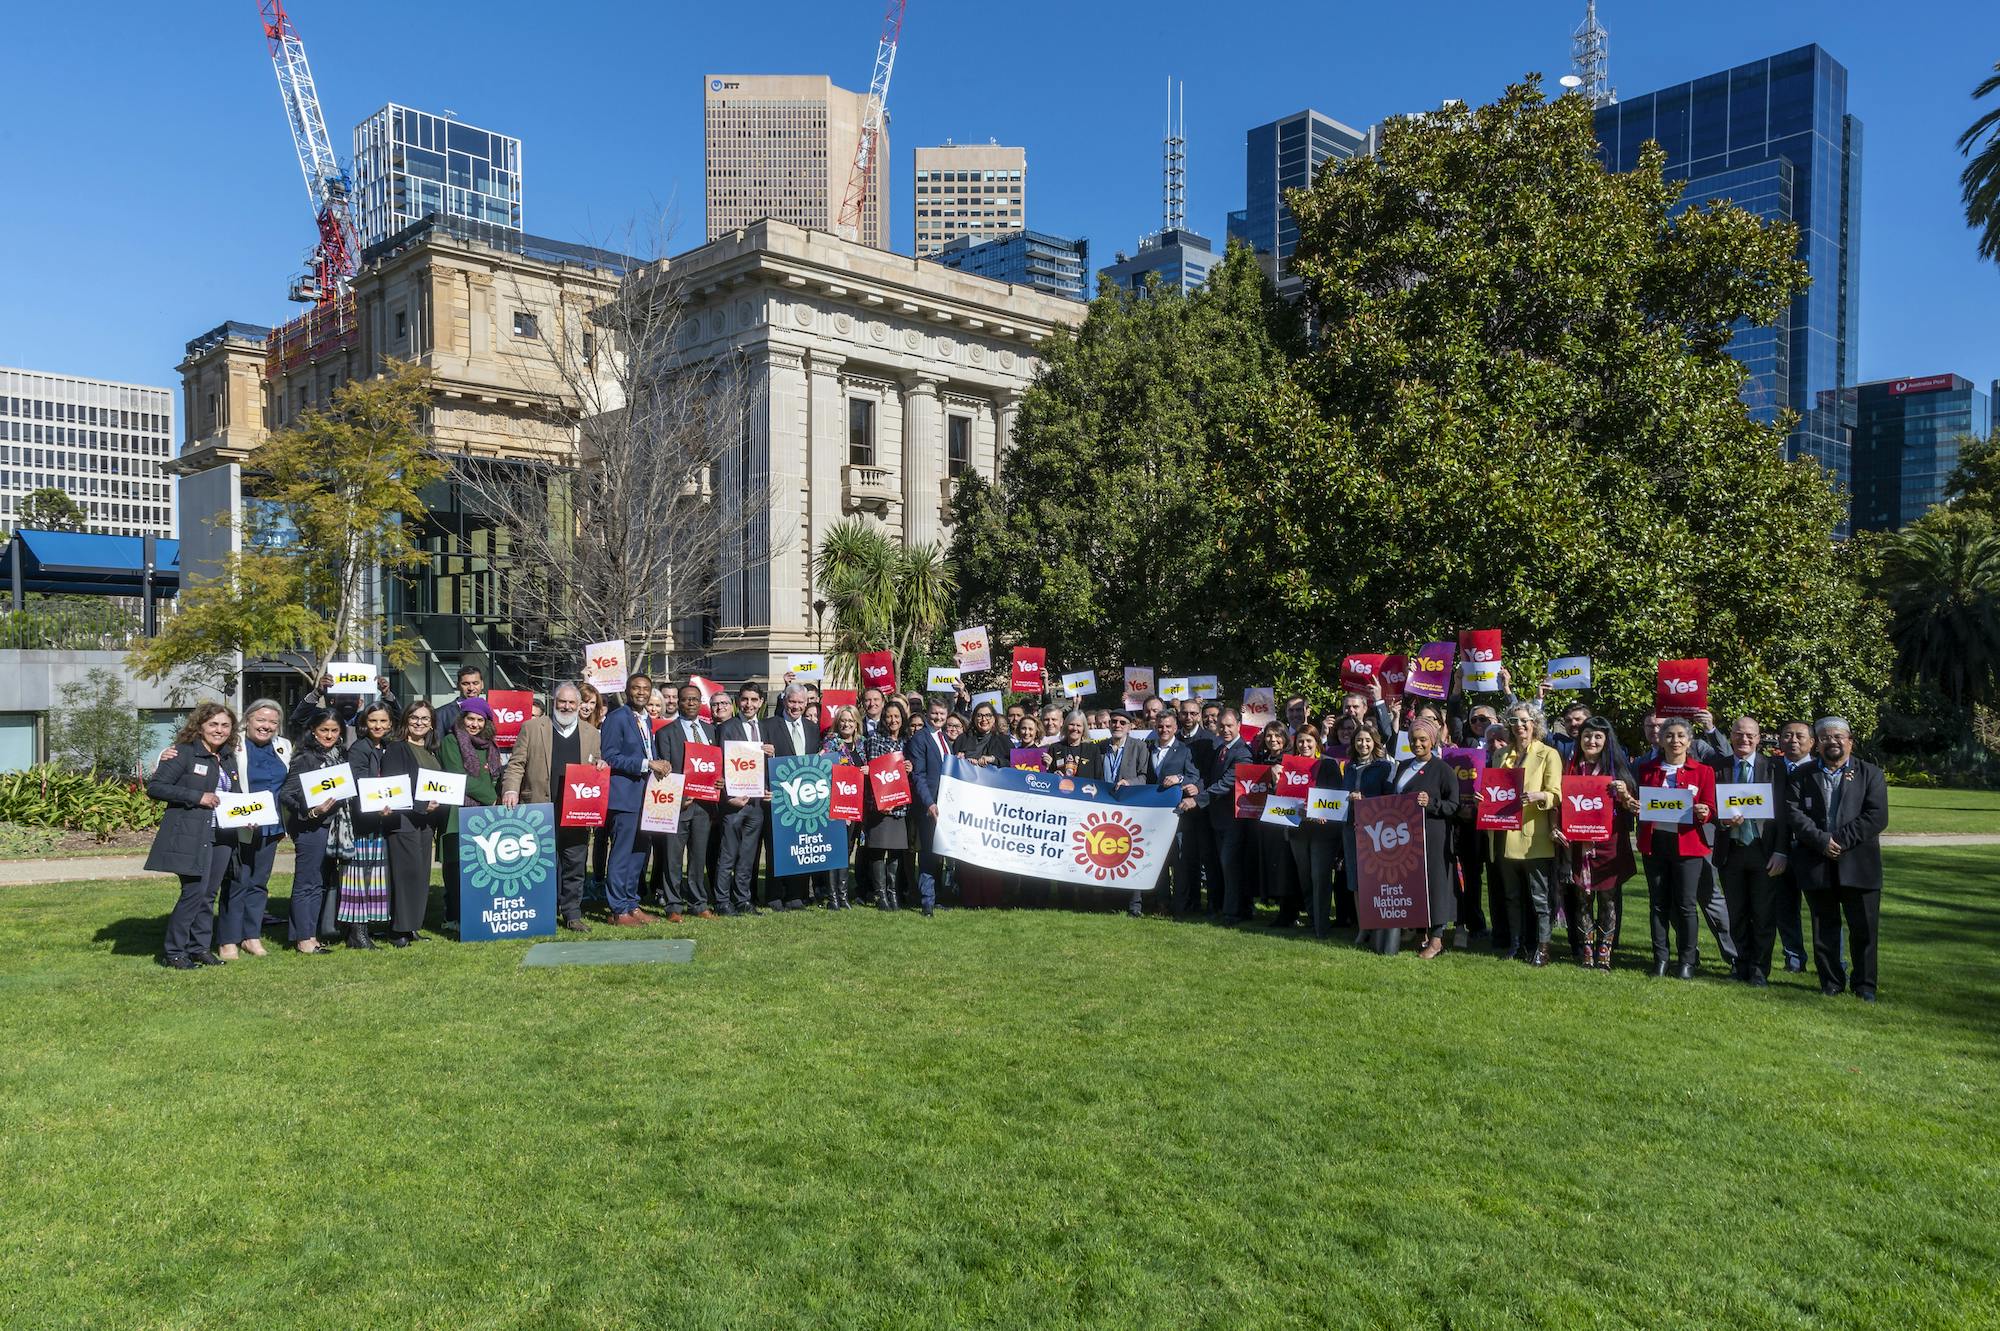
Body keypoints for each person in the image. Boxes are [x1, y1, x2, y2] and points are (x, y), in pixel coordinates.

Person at [1785, 717, 1889, 1001]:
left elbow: (1877, 817)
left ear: (1850, 741)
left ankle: (1864, 986)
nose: (1833, 741)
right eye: (1826, 737)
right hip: (1817, 863)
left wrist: (1840, 841)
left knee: (1864, 931)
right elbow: (1793, 814)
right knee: (1824, 929)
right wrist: (1821, 841)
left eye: (1839, 737)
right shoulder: (1801, 775)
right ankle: (1831, 983)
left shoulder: (1871, 774)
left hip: (1859, 865)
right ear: (1817, 744)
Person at [500, 681, 606, 932]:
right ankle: (542, 911)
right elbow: (516, 764)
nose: (567, 706)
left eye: (572, 702)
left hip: (576, 810)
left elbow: (595, 765)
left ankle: (572, 913)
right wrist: (511, 789)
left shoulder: (592, 734)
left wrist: (600, 766)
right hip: (539, 806)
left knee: (575, 864)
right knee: (541, 864)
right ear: (553, 702)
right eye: (562, 702)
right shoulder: (533, 728)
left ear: (580, 705)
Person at [145, 702, 241, 969]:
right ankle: (174, 951)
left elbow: (234, 794)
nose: (219, 730)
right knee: (193, 893)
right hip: (191, 834)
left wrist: (247, 815)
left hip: (223, 834)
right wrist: (197, 797)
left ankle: (200, 948)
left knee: (209, 894)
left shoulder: (228, 757)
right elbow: (156, 787)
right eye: (213, 724)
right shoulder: (183, 754)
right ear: (200, 726)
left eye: (225, 725)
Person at [1630, 717, 1717, 980]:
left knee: (1686, 905)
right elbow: (1638, 801)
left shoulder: (1703, 772)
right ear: (1661, 739)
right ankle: (1661, 959)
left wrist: (1704, 811)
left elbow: (1711, 808)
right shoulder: (1646, 769)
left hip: (1688, 845)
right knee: (1658, 904)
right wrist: (1634, 805)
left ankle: (1687, 961)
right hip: (1655, 844)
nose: (1675, 741)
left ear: (1689, 741)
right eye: (1669, 735)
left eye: (1680, 736)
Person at [1714, 716, 1792, 986]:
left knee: (1763, 915)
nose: (1744, 739)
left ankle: (1759, 970)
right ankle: (1740, 964)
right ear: (1731, 736)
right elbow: (1710, 809)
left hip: (1764, 852)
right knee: (1736, 914)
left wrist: (1781, 851)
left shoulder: (1773, 768)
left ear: (1759, 738)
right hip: (1731, 850)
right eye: (1738, 734)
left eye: (1749, 735)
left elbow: (1783, 815)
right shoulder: (1718, 768)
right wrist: (1721, 822)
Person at [1556, 716, 1637, 970]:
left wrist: (1624, 794)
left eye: (1597, 737)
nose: (1592, 741)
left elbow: (1633, 807)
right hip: (1579, 843)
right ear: (1580, 740)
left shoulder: (1616, 770)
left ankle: (1605, 951)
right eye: (1587, 736)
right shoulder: (1571, 768)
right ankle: (1586, 950)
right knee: (1582, 898)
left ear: (1606, 740)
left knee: (1608, 898)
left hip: (1608, 843)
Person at [215, 698, 291, 960]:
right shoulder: (232, 745)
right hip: (240, 823)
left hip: (271, 826)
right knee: (237, 881)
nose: (266, 726)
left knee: (259, 883)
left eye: (273, 722)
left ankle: (251, 936)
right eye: (261, 720)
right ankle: (228, 940)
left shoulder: (284, 746)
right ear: (248, 720)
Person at [1494, 703, 1563, 965]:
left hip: (1534, 835)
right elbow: (1495, 791)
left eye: (1525, 720)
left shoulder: (1549, 754)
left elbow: (1556, 794)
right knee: (1511, 896)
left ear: (1535, 724)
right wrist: (1483, 798)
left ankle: (1543, 949)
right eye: (1514, 721)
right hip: (1504, 836)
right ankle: (1516, 944)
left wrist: (1539, 796)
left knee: (1539, 897)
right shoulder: (1500, 755)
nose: (1520, 725)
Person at [602, 673, 673, 925]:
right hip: (624, 797)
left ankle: (632, 904)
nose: (641, 692)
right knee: (622, 854)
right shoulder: (617, 718)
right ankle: (617, 908)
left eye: (645, 688)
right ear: (628, 690)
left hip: (648, 797)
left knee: (639, 854)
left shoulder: (647, 720)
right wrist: (647, 763)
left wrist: (658, 763)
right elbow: (609, 756)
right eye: (636, 688)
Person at [1394, 718, 1463, 959]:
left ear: (1433, 740)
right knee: (1414, 883)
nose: (1418, 743)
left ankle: (1436, 939)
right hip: (1405, 836)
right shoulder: (1403, 766)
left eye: (1423, 739)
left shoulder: (1442, 769)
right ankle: (1420, 932)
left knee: (1435, 884)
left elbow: (1453, 805)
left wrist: (1431, 804)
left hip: (1434, 835)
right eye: (1414, 739)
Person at [281, 709, 348, 954]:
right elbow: (286, 794)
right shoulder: (305, 758)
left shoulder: (341, 756)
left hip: (334, 827)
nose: (329, 735)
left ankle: (310, 933)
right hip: (311, 828)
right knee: (307, 882)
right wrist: (311, 811)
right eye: (323, 730)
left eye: (334, 730)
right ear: (313, 731)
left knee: (319, 882)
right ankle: (304, 939)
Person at [382, 700, 446, 945]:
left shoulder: (432, 752)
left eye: (425, 719)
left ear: (432, 725)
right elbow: (394, 787)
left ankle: (412, 927)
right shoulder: (398, 748)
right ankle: (398, 930)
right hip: (404, 821)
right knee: (405, 875)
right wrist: (420, 806)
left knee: (420, 875)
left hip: (426, 823)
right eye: (414, 718)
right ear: (406, 721)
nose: (419, 723)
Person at [437, 697, 504, 931]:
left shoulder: (489, 744)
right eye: (470, 719)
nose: (474, 724)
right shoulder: (450, 741)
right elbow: (458, 776)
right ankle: (453, 916)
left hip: (485, 813)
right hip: (458, 810)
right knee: (456, 865)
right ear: (462, 719)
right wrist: (491, 797)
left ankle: (477, 913)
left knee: (480, 864)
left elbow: (495, 776)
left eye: (479, 720)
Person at [338, 703, 399, 949]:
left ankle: (366, 928)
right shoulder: (359, 749)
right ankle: (357, 933)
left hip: (380, 821)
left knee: (374, 874)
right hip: (362, 822)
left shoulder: (385, 747)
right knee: (358, 876)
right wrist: (379, 803)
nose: (378, 726)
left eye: (383, 721)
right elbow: (359, 783)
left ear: (390, 724)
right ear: (365, 722)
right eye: (373, 721)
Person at [659, 681, 720, 919]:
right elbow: (664, 770)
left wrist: (719, 782)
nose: (691, 703)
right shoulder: (666, 733)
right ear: (678, 703)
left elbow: (716, 765)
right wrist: (680, 796)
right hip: (679, 804)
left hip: (704, 806)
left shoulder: (711, 731)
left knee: (698, 856)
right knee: (673, 858)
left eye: (695, 699)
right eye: (686, 699)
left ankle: (698, 903)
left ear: (700, 702)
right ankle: (673, 905)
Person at [716, 683, 773, 916]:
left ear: (760, 702)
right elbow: (719, 764)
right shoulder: (727, 728)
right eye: (745, 699)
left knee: (748, 856)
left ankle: (743, 900)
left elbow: (771, 766)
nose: (749, 704)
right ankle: (721, 901)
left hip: (758, 803)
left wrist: (773, 754)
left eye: (753, 700)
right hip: (734, 802)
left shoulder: (767, 728)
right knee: (728, 855)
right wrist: (728, 796)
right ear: (738, 702)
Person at [770, 683, 824, 910]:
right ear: (784, 701)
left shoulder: (812, 729)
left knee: (800, 847)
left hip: (804, 798)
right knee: (776, 846)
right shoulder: (769, 726)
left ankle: (796, 895)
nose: (796, 707)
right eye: (792, 702)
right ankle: (773, 895)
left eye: (801, 703)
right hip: (777, 797)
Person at [1339, 725, 1395, 943]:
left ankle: (1378, 924)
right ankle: (1363, 927)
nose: (1363, 744)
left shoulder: (1384, 767)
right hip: (1351, 828)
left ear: (1375, 743)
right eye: (1359, 740)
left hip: (1376, 831)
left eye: (1367, 740)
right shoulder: (1348, 767)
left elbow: (1389, 799)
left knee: (1376, 878)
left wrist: (1366, 802)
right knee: (1355, 878)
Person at [859, 699, 916, 911]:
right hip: (881, 806)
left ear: (903, 719)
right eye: (889, 716)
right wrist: (883, 801)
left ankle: (893, 895)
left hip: (900, 806)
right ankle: (881, 895)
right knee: (877, 851)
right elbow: (874, 772)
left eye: (897, 717)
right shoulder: (875, 740)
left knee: (895, 852)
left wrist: (909, 766)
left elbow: (905, 773)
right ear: (884, 719)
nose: (893, 720)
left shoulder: (906, 742)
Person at [1285, 726, 1341, 939]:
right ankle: (1313, 918)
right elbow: (1284, 795)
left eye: (1309, 741)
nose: (1305, 745)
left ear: (1317, 742)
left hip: (1323, 832)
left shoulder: (1328, 763)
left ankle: (1322, 926)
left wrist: (1319, 811)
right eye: (1300, 741)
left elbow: (1335, 795)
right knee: (1305, 878)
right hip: (1298, 829)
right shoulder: (1289, 764)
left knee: (1320, 877)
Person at [1771, 719, 1818, 971]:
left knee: (1822, 911)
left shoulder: (1821, 769)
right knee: (1785, 908)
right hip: (1776, 850)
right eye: (1787, 735)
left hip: (1811, 850)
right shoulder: (1771, 768)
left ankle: (1832, 961)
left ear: (1812, 742)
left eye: (1800, 736)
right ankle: (1794, 958)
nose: (1793, 740)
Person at [1198, 707, 1254, 922]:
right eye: (1221, 726)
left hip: (1234, 820)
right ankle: (1231, 907)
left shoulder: (1243, 753)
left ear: (1239, 725)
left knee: (1230, 865)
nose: (1225, 729)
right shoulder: (1220, 749)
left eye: (1229, 725)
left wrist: (1198, 800)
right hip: (1218, 818)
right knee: (1224, 865)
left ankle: (1233, 912)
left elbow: (1225, 784)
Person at [905, 695, 952, 915]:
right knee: (928, 854)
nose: (938, 717)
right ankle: (927, 902)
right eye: (934, 713)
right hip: (929, 806)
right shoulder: (920, 739)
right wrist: (929, 803)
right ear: (927, 714)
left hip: (947, 805)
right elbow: (918, 776)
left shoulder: (945, 739)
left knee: (940, 853)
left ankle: (937, 897)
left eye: (942, 714)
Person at [1248, 722, 1297, 927]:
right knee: (1272, 865)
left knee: (1285, 867)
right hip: (1264, 820)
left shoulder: (1291, 760)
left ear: (1285, 738)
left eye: (1278, 736)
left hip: (1284, 820)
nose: (1273, 740)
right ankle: (1275, 906)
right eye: (1269, 736)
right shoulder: (1261, 757)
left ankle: (1288, 913)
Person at [820, 706, 865, 910]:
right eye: (843, 720)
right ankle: (833, 897)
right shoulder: (831, 743)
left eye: (851, 720)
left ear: (857, 723)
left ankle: (843, 894)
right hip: (836, 805)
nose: (847, 724)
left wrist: (868, 769)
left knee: (847, 849)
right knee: (834, 851)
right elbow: (823, 769)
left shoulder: (862, 744)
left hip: (856, 806)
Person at [287, 673, 398, 740]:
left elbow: (398, 721)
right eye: (343, 697)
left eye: (353, 698)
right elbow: (298, 719)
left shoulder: (368, 721)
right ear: (332, 701)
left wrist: (386, 693)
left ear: (360, 703)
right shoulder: (322, 717)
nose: (348, 701)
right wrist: (317, 693)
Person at [434, 664, 486, 737]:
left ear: (482, 684)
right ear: (458, 685)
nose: (471, 688)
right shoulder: (441, 714)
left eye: (475, 683)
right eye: (466, 684)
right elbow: (438, 744)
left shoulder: (492, 711)